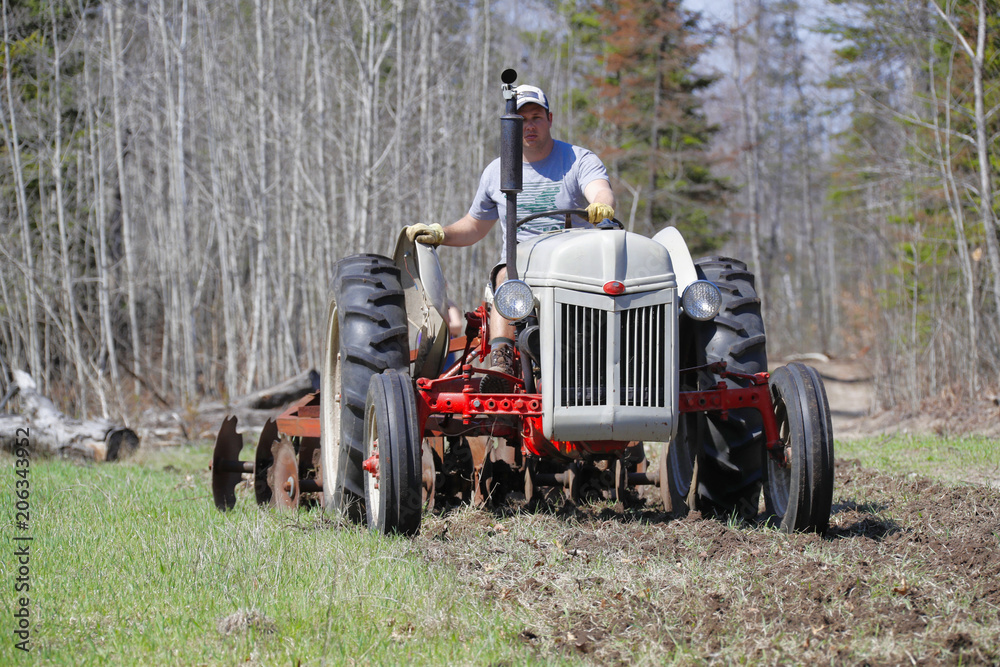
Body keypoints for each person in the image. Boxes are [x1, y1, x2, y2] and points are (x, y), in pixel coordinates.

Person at [404, 84, 615, 389]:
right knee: (506, 277)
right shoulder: (497, 172)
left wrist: (601, 205)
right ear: (510, 127)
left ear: (550, 119)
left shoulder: (578, 160)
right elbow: (475, 226)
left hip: (576, 264)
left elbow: (600, 188)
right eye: (521, 120)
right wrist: (440, 233)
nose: (529, 125)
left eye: (536, 117)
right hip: (522, 267)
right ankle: (502, 361)